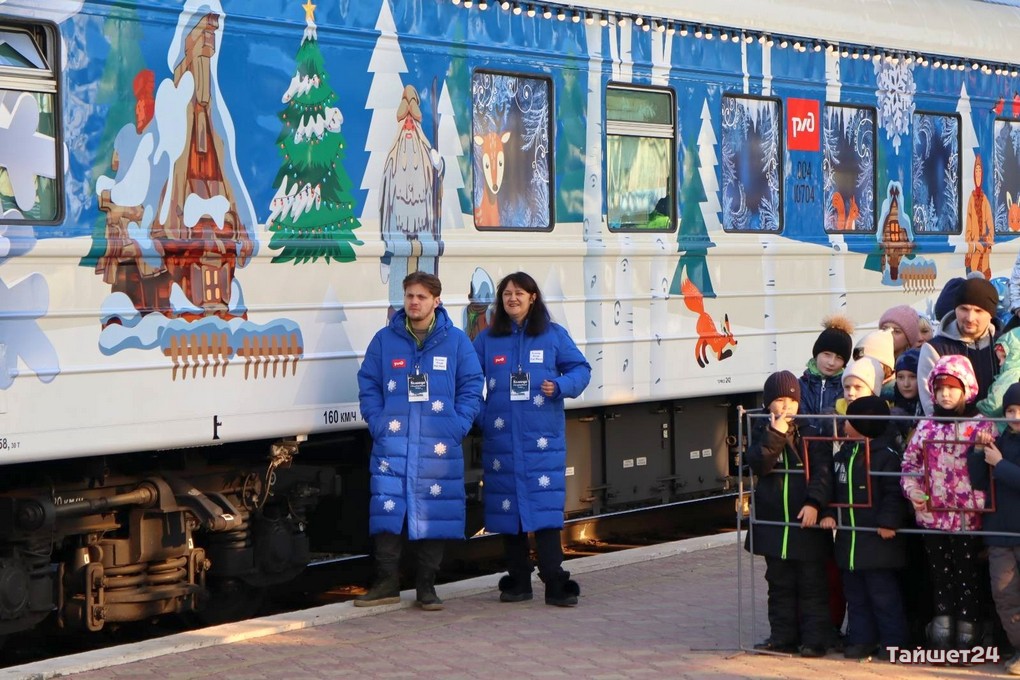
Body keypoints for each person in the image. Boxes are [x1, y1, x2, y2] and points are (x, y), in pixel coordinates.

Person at [355, 272, 484, 610]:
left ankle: (426, 587)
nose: (414, 302)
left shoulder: (456, 342)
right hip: (394, 441)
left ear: (436, 301)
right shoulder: (385, 340)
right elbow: (368, 382)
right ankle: (385, 583)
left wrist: (457, 425)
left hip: (437, 444)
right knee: (388, 510)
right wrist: (377, 420)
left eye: (421, 297)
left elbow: (473, 385)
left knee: (434, 512)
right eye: (410, 296)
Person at [473, 272, 592, 607]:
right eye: (507, 294)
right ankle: (519, 583)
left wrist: (562, 386)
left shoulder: (553, 335)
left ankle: (555, 583)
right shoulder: (486, 340)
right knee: (508, 514)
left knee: (544, 514)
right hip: (502, 442)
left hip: (542, 441)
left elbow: (580, 370)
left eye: (519, 293)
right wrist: (484, 416)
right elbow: (465, 380)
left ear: (533, 298)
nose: (512, 299)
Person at [900, 354, 997, 649]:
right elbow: (910, 464)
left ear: (965, 389)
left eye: (951, 389)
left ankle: (970, 624)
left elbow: (990, 466)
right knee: (939, 571)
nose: (945, 394)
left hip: (968, 516)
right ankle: (943, 623)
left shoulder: (979, 426)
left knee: (968, 573)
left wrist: (979, 499)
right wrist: (913, 490)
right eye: (939, 389)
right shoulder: (926, 427)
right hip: (932, 515)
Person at [745, 371, 834, 657]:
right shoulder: (760, 428)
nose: (785, 407)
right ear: (768, 403)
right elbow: (759, 463)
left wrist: (815, 503)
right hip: (774, 522)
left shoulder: (811, 429)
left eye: (791, 401)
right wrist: (775, 434)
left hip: (804, 521)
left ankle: (814, 640)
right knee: (779, 585)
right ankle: (782, 638)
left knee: (812, 585)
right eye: (779, 401)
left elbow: (823, 472)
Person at [819, 396, 910, 659]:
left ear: (864, 423)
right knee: (856, 597)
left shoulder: (886, 456)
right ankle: (861, 639)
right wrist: (828, 512)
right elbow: (831, 489)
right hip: (849, 542)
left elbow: (894, 493)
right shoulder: (845, 454)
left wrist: (888, 521)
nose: (844, 423)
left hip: (877, 542)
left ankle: (894, 643)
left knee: (884, 597)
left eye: (850, 419)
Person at [969, 383, 1020, 676]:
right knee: (1005, 595)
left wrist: (999, 464)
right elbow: (978, 481)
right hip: (1000, 535)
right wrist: (978, 452)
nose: (1015, 416)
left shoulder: (1001, 453)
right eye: (1011, 410)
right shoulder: (999, 441)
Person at [918, 276, 1001, 416]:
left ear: (990, 314)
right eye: (964, 309)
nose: (970, 318)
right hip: (952, 434)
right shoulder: (934, 349)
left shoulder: (1005, 345)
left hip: (1001, 432)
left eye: (978, 311)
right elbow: (930, 406)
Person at [798, 314, 853, 437]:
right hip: (805, 449)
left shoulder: (847, 387)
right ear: (816, 354)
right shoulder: (800, 385)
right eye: (827, 354)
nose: (831, 362)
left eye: (839, 358)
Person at [977, 328, 1020, 419]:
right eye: (999, 359)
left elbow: (994, 405)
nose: (1000, 363)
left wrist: (979, 407)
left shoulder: (1011, 375)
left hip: (1006, 426)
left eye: (1004, 357)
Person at [853, 329, 896, 398]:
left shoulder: (893, 391)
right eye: (858, 362)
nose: (862, 367)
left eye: (868, 363)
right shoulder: (853, 384)